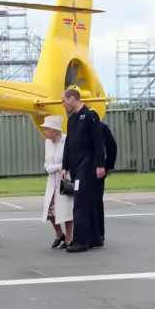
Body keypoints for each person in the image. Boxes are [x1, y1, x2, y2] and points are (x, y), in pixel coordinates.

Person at [60, 88, 106, 253]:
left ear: (73, 99)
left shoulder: (90, 116)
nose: (63, 104)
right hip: (76, 167)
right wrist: (64, 166)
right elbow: (69, 144)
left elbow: (98, 142)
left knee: (80, 203)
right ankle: (95, 238)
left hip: (87, 167)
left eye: (64, 100)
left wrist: (100, 165)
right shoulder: (72, 120)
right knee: (87, 202)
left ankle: (80, 241)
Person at [39, 115, 73, 249]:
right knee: (49, 210)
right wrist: (46, 167)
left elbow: (69, 161)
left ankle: (69, 238)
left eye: (46, 129)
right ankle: (59, 234)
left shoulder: (66, 140)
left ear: (54, 130)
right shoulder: (47, 142)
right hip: (52, 180)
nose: (43, 131)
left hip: (64, 178)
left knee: (66, 210)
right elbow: (48, 159)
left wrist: (54, 168)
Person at [93, 120, 117, 244]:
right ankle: (98, 235)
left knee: (92, 203)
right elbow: (112, 146)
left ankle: (97, 234)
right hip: (95, 168)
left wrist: (107, 166)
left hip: (90, 168)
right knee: (95, 202)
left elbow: (112, 146)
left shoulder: (100, 127)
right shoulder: (101, 126)